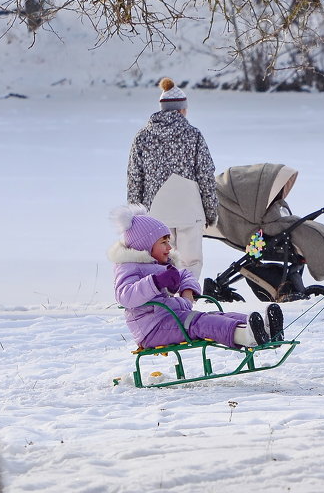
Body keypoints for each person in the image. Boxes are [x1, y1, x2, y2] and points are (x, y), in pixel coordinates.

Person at [108, 205, 282, 348]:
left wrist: (188, 289)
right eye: (163, 242)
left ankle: (265, 330)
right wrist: (155, 282)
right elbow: (124, 296)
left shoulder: (163, 264)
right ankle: (246, 336)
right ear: (145, 246)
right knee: (201, 322)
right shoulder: (128, 266)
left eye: (169, 241)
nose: (169, 247)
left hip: (172, 317)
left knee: (217, 316)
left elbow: (185, 275)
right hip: (151, 329)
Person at [127, 77, 218, 283]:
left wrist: (134, 219)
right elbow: (206, 176)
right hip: (190, 210)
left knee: (161, 261)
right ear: (181, 110)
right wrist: (211, 211)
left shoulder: (142, 136)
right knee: (191, 262)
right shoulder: (193, 135)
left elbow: (135, 179)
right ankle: (187, 301)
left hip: (157, 214)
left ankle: (165, 303)